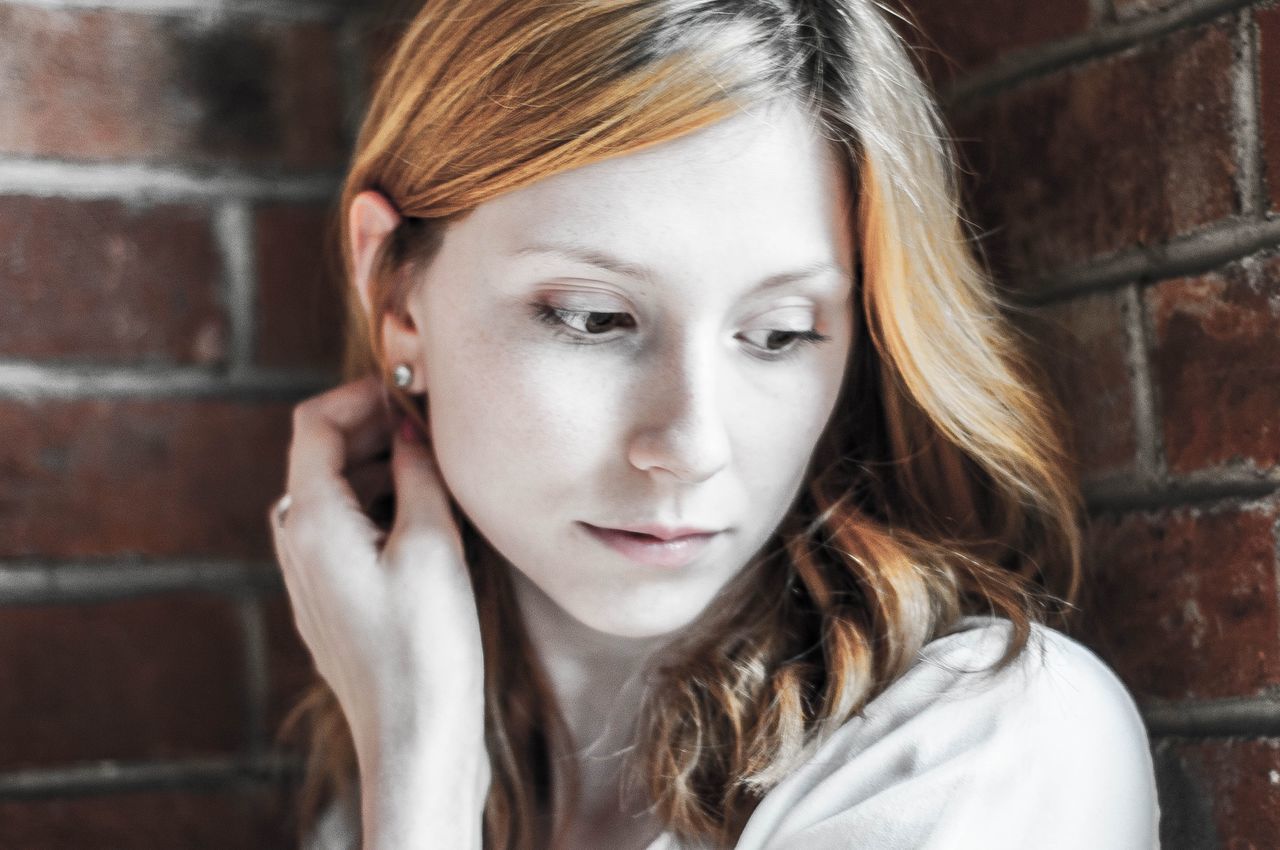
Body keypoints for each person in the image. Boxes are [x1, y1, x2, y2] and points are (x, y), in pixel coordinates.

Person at [266, 0, 1163, 848]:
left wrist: (418, 781)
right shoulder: (371, 784)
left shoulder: (982, 748)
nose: (693, 446)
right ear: (395, 291)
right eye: (593, 318)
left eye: (780, 334)